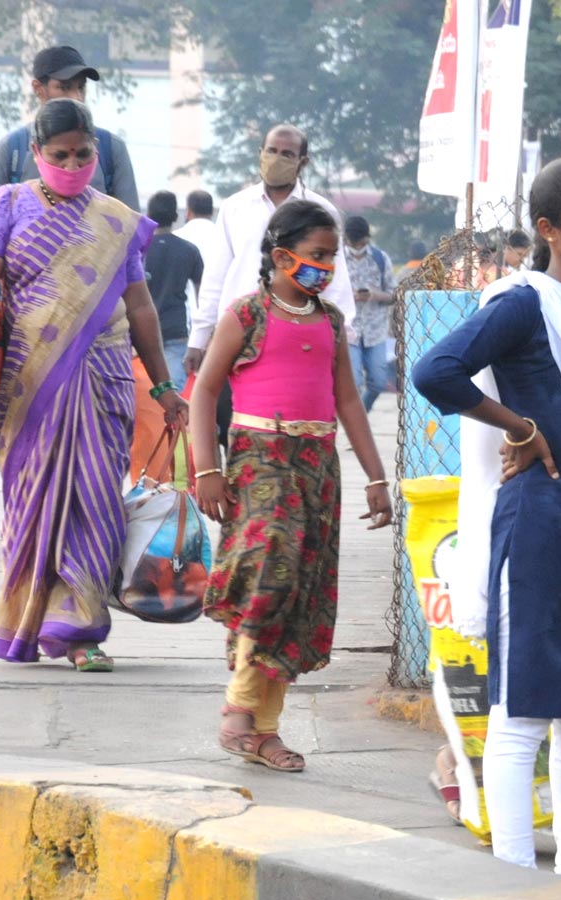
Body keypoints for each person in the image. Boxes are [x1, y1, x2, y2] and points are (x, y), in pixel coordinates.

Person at [413, 158, 561, 883]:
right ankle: (513, 878)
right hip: (543, 529)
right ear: (548, 229)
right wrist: (517, 425)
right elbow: (436, 371)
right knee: (521, 718)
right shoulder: (523, 303)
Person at [0, 99, 186, 672]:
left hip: (104, 377)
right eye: (59, 154)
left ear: (97, 150)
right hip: (30, 381)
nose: (72, 162)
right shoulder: (8, 204)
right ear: (36, 155)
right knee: (32, 501)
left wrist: (165, 387)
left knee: (95, 500)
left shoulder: (116, 219)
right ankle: (25, 619)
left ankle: (83, 631)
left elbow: (139, 305)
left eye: (83, 152)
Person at [190, 200, 391, 772]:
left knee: (297, 591)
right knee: (269, 568)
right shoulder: (246, 315)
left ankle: (264, 730)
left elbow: (348, 400)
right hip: (259, 460)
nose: (326, 267)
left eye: (331, 258)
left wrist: (377, 477)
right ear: (281, 256)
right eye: (317, 256)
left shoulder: (330, 321)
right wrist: (206, 468)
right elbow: (204, 392)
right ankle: (238, 709)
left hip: (317, 462)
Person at [184, 124, 355, 378]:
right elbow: (215, 277)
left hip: (301, 331)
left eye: (287, 154)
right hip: (239, 331)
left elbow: (336, 279)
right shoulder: (235, 207)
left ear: (302, 162)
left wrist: (341, 336)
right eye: (272, 151)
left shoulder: (321, 212)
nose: (277, 159)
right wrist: (198, 338)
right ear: (260, 153)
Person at [0, 46, 139, 214]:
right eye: (64, 87)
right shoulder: (9, 152)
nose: (77, 97)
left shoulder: (111, 149)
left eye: (81, 87)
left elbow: (132, 229)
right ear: (38, 89)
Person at [143, 190, 203, 389]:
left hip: (140, 333)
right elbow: (202, 294)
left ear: (148, 215)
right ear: (176, 216)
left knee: (141, 396)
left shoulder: (138, 250)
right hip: (175, 331)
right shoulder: (189, 250)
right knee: (173, 393)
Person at [344, 215, 396, 413]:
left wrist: (373, 295)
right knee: (354, 383)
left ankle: (360, 417)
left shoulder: (380, 259)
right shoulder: (338, 259)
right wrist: (350, 297)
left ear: (367, 239)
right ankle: (355, 425)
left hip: (375, 329)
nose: (357, 246)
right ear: (346, 240)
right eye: (353, 243)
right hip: (349, 329)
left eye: (361, 242)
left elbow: (393, 293)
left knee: (378, 382)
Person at [175, 190, 219, 330]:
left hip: (185, 318)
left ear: (187, 212)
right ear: (212, 211)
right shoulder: (224, 237)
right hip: (219, 316)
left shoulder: (177, 238)